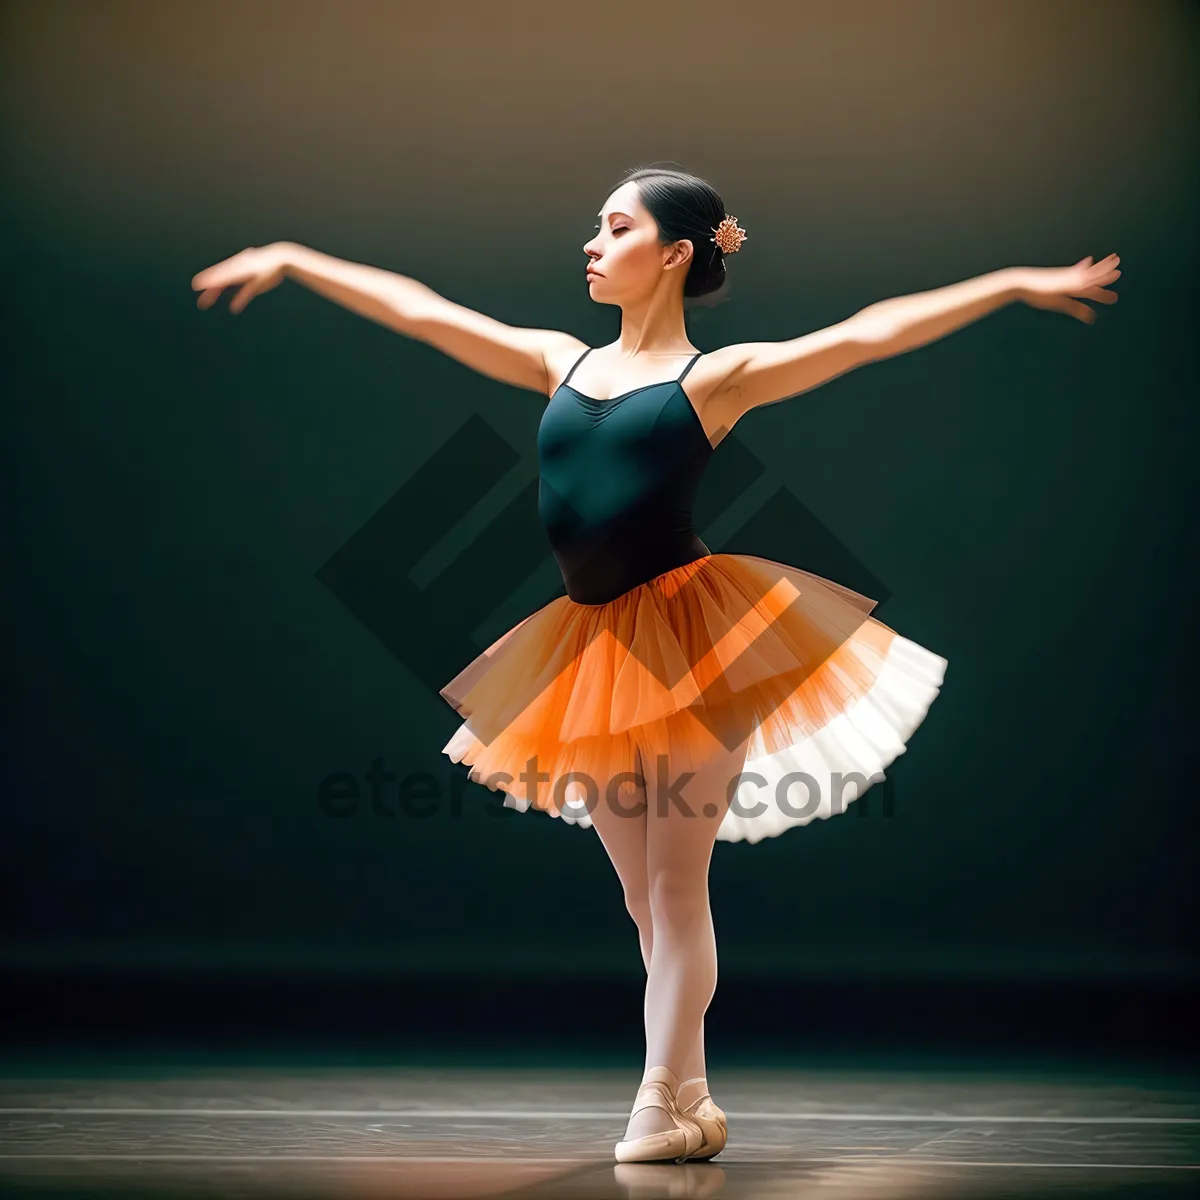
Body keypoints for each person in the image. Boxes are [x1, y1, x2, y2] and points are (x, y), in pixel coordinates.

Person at [192, 166, 1120, 1163]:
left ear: (674, 254)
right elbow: (424, 313)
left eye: (616, 226)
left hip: (695, 643)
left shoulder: (713, 381)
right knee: (644, 901)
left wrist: (1011, 284)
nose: (592, 242)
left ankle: (655, 1107)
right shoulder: (559, 362)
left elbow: (866, 332)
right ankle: (696, 1100)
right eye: (596, 226)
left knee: (677, 891)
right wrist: (296, 260)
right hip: (587, 649)